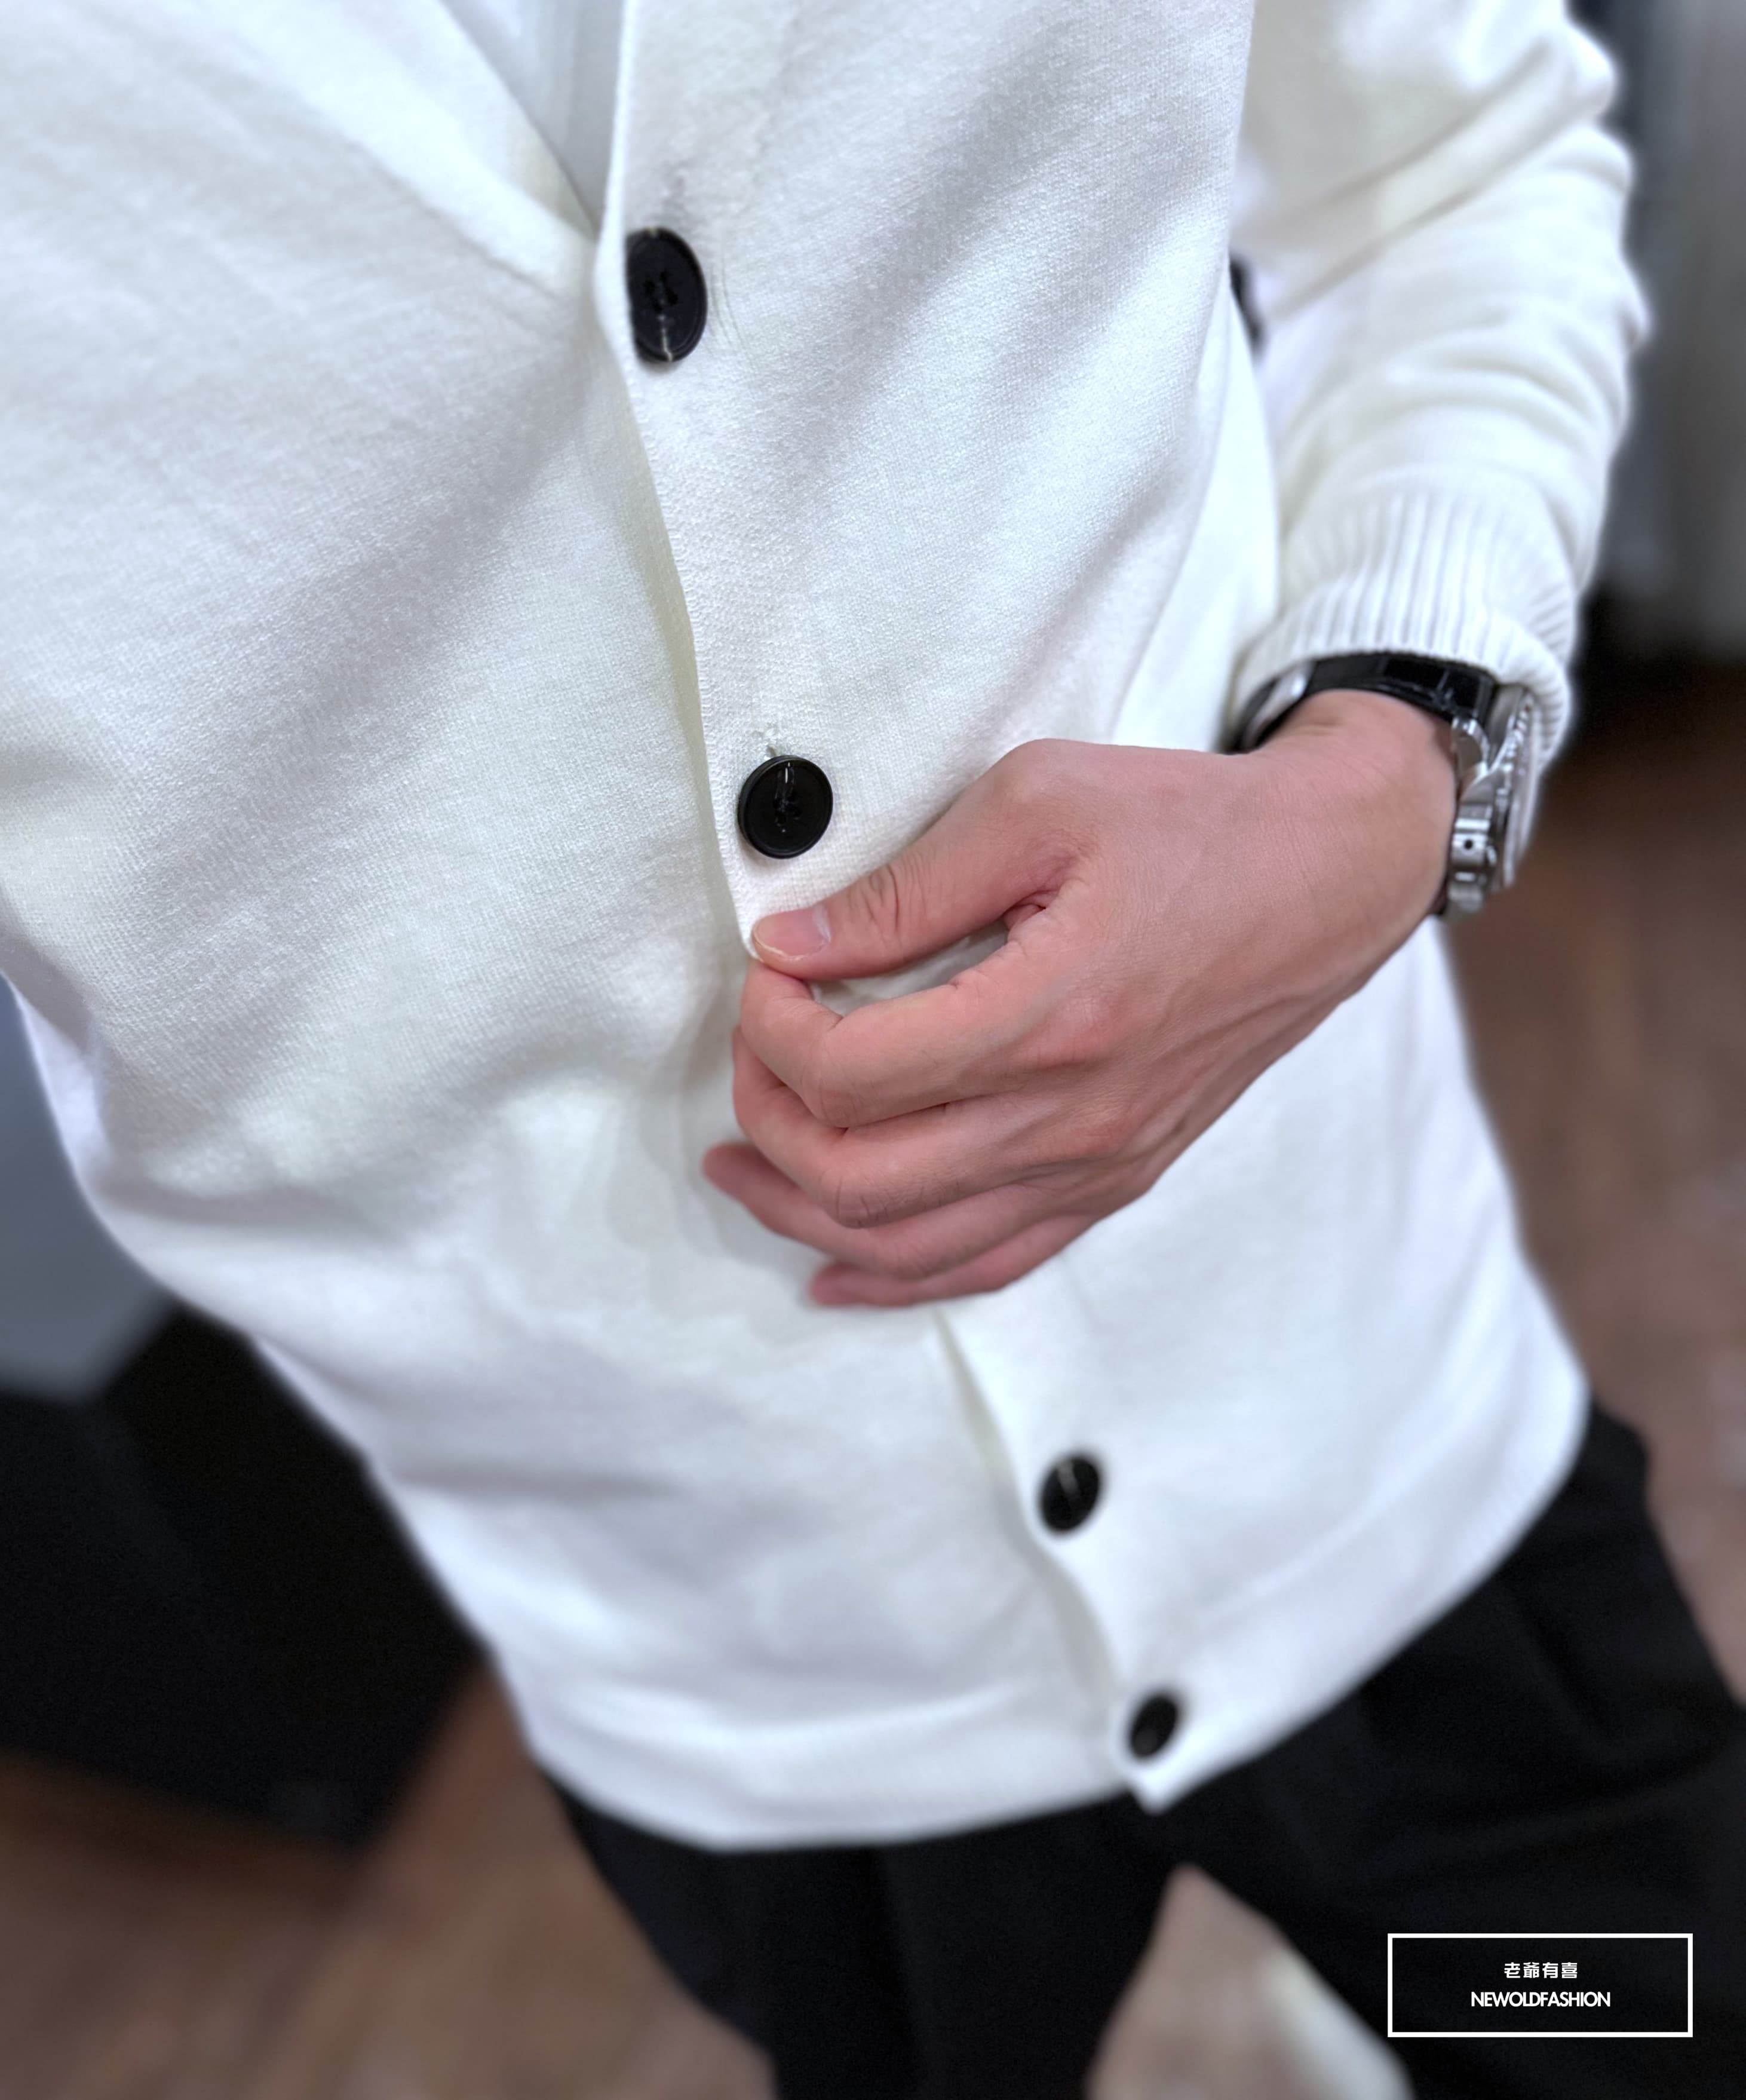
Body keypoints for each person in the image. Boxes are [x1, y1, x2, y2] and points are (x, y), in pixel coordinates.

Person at [3, 2, 1740, 2094]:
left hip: (1357, 1417)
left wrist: (1388, 782)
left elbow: (1446, 166)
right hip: (727, 1649)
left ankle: (1432, 2007)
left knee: (1612, 2031)